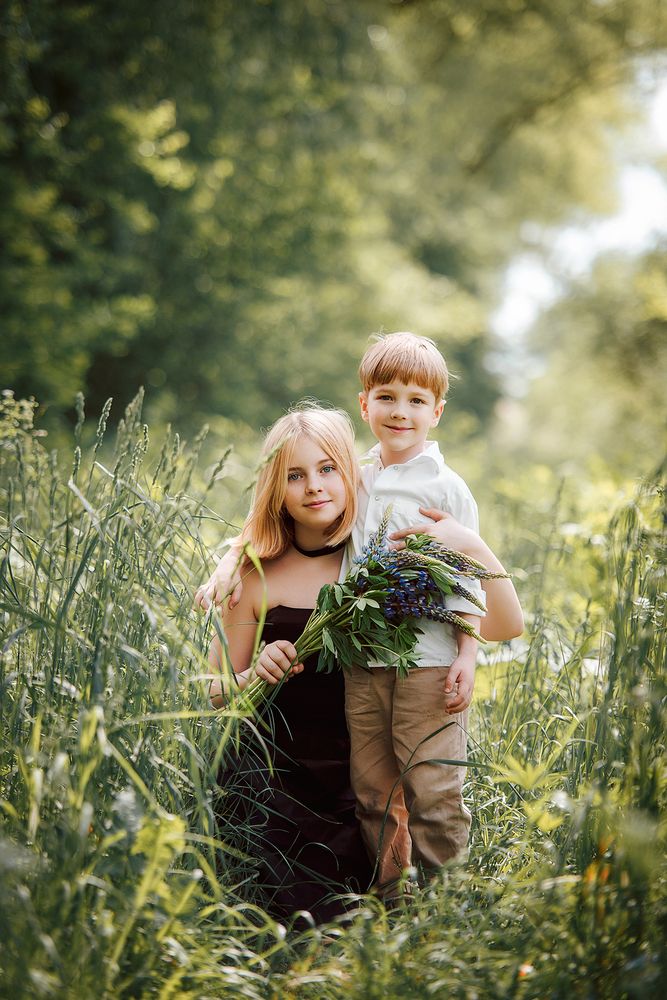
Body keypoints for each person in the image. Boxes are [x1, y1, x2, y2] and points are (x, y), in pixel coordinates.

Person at [208, 404, 373, 922]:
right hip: (271, 780)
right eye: (294, 476)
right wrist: (254, 673)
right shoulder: (255, 576)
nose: (314, 487)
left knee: (351, 915)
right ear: (275, 489)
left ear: (350, 473)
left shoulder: (369, 562)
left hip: (357, 777)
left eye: (327, 469)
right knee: (276, 919)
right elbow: (211, 691)